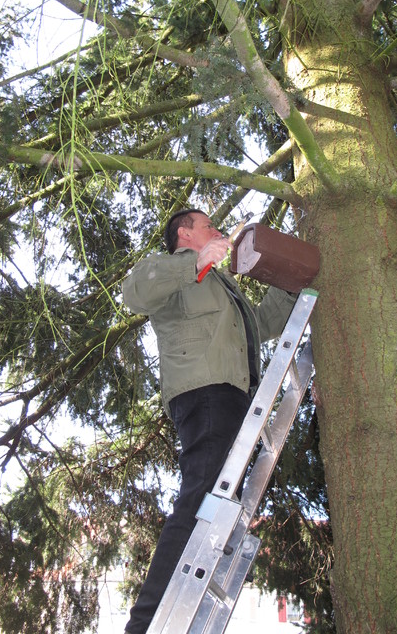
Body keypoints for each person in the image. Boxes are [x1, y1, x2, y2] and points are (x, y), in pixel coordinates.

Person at [121, 208, 297, 633]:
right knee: (201, 498)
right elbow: (133, 292)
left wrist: (291, 281)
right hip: (204, 393)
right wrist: (196, 261)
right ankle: (146, 625)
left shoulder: (223, 286)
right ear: (185, 233)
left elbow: (262, 323)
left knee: (217, 507)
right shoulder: (172, 271)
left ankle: (184, 614)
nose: (218, 232)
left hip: (235, 397)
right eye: (208, 227)